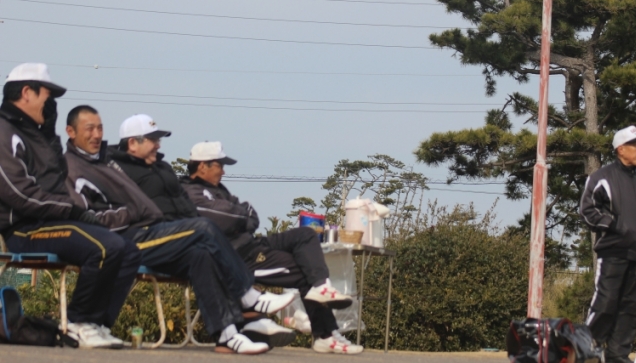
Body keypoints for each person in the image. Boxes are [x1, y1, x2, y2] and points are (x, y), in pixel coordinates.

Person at [98, 112, 294, 353]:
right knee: (205, 227)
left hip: (171, 237)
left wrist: (189, 224)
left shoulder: (163, 168)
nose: (158, 145)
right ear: (132, 143)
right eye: (153, 139)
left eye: (158, 139)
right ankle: (247, 295)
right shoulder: (117, 169)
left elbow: (185, 205)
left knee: (202, 255)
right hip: (138, 239)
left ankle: (227, 336)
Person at [0, 63, 141, 349]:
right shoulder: (4, 130)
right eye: (47, 95)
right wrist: (72, 210)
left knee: (128, 251)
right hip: (24, 229)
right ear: (26, 92)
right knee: (105, 247)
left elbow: (54, 181)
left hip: (50, 221)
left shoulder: (34, 133)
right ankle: (78, 323)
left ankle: (98, 324)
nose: (51, 103)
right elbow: (19, 194)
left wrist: (49, 134)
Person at [180, 141, 364, 355]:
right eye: (219, 165)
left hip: (252, 244)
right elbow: (228, 218)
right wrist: (239, 215)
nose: (223, 171)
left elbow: (250, 214)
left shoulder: (219, 189)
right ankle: (325, 335)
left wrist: (238, 215)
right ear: (202, 166)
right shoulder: (189, 192)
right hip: (238, 258)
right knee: (306, 272)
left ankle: (322, 287)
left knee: (305, 235)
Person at [580, 125, 636, 363]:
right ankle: (587, 353)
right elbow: (587, 209)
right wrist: (614, 225)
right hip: (612, 254)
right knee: (605, 304)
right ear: (621, 149)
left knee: (629, 309)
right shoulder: (602, 178)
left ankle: (618, 356)